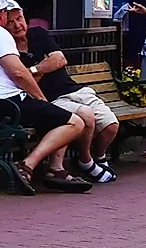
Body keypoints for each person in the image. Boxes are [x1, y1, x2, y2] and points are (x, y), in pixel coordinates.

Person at [0, 0, 90, 192]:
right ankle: (26, 166)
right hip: (6, 104)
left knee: (57, 117)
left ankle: (55, 171)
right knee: (75, 122)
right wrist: (41, 100)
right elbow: (19, 73)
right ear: (1, 15)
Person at [20, 19, 119, 183]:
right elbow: (24, 81)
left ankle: (99, 156)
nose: (17, 25)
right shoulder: (8, 50)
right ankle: (85, 161)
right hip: (51, 99)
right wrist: (47, 63)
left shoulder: (37, 34)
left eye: (19, 19)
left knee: (111, 125)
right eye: (11, 22)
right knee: (85, 116)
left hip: (77, 90)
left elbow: (60, 59)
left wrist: (35, 69)